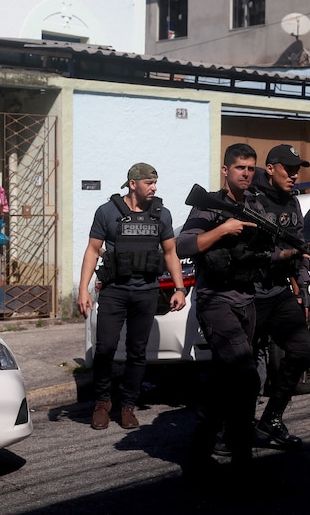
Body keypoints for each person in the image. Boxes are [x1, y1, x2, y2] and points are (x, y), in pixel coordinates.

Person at [176, 143, 296, 476]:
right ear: (225, 170)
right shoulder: (209, 206)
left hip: (246, 299)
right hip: (216, 300)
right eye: (240, 167)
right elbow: (184, 245)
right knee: (244, 374)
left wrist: (286, 255)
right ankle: (242, 454)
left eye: (250, 168)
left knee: (226, 380)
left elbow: (260, 255)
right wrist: (223, 229)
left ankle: (202, 451)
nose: (246, 173)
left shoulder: (256, 206)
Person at [77, 163, 186, 430]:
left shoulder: (162, 214)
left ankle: (128, 405)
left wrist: (179, 288)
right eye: (149, 183)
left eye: (155, 182)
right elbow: (93, 250)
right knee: (105, 348)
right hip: (114, 290)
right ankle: (102, 402)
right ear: (133, 184)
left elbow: (171, 253)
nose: (154, 187)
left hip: (146, 291)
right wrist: (83, 290)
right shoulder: (107, 212)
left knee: (138, 352)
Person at [251, 144, 310, 449]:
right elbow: (254, 254)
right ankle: (232, 430)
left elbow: (299, 248)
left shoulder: (293, 203)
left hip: (280, 291)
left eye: (297, 170)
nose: (294, 175)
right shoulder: (250, 201)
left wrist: (303, 292)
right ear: (271, 168)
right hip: (250, 293)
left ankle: (272, 419)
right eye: (288, 169)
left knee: (303, 353)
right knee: (246, 369)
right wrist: (294, 252)